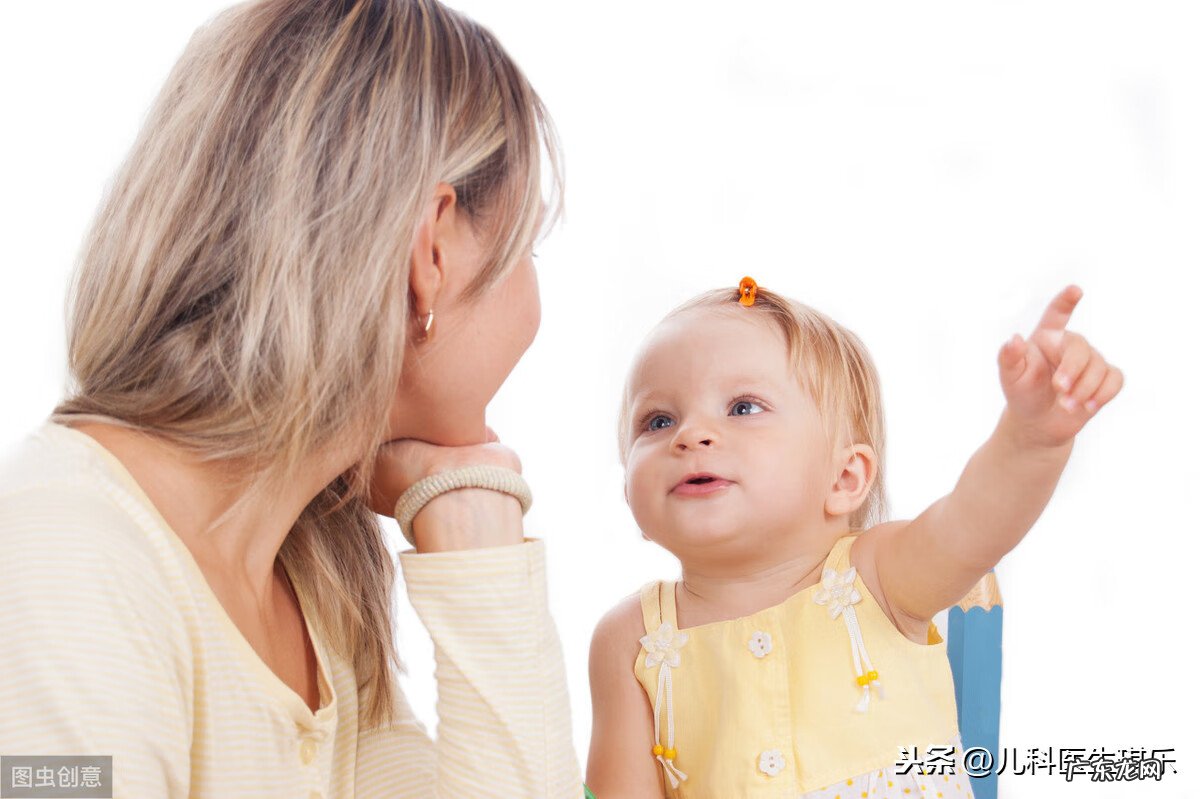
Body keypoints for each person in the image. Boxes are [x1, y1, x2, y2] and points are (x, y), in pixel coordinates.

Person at [0, 1, 583, 796]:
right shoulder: (68, 556)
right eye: (528, 247)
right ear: (433, 249)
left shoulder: (312, 581)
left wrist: (478, 533)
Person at [585, 277, 1122, 797]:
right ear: (628, 490)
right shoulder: (631, 638)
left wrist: (1031, 438)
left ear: (844, 478)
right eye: (657, 421)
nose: (690, 434)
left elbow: (975, 524)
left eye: (743, 408)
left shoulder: (878, 575)